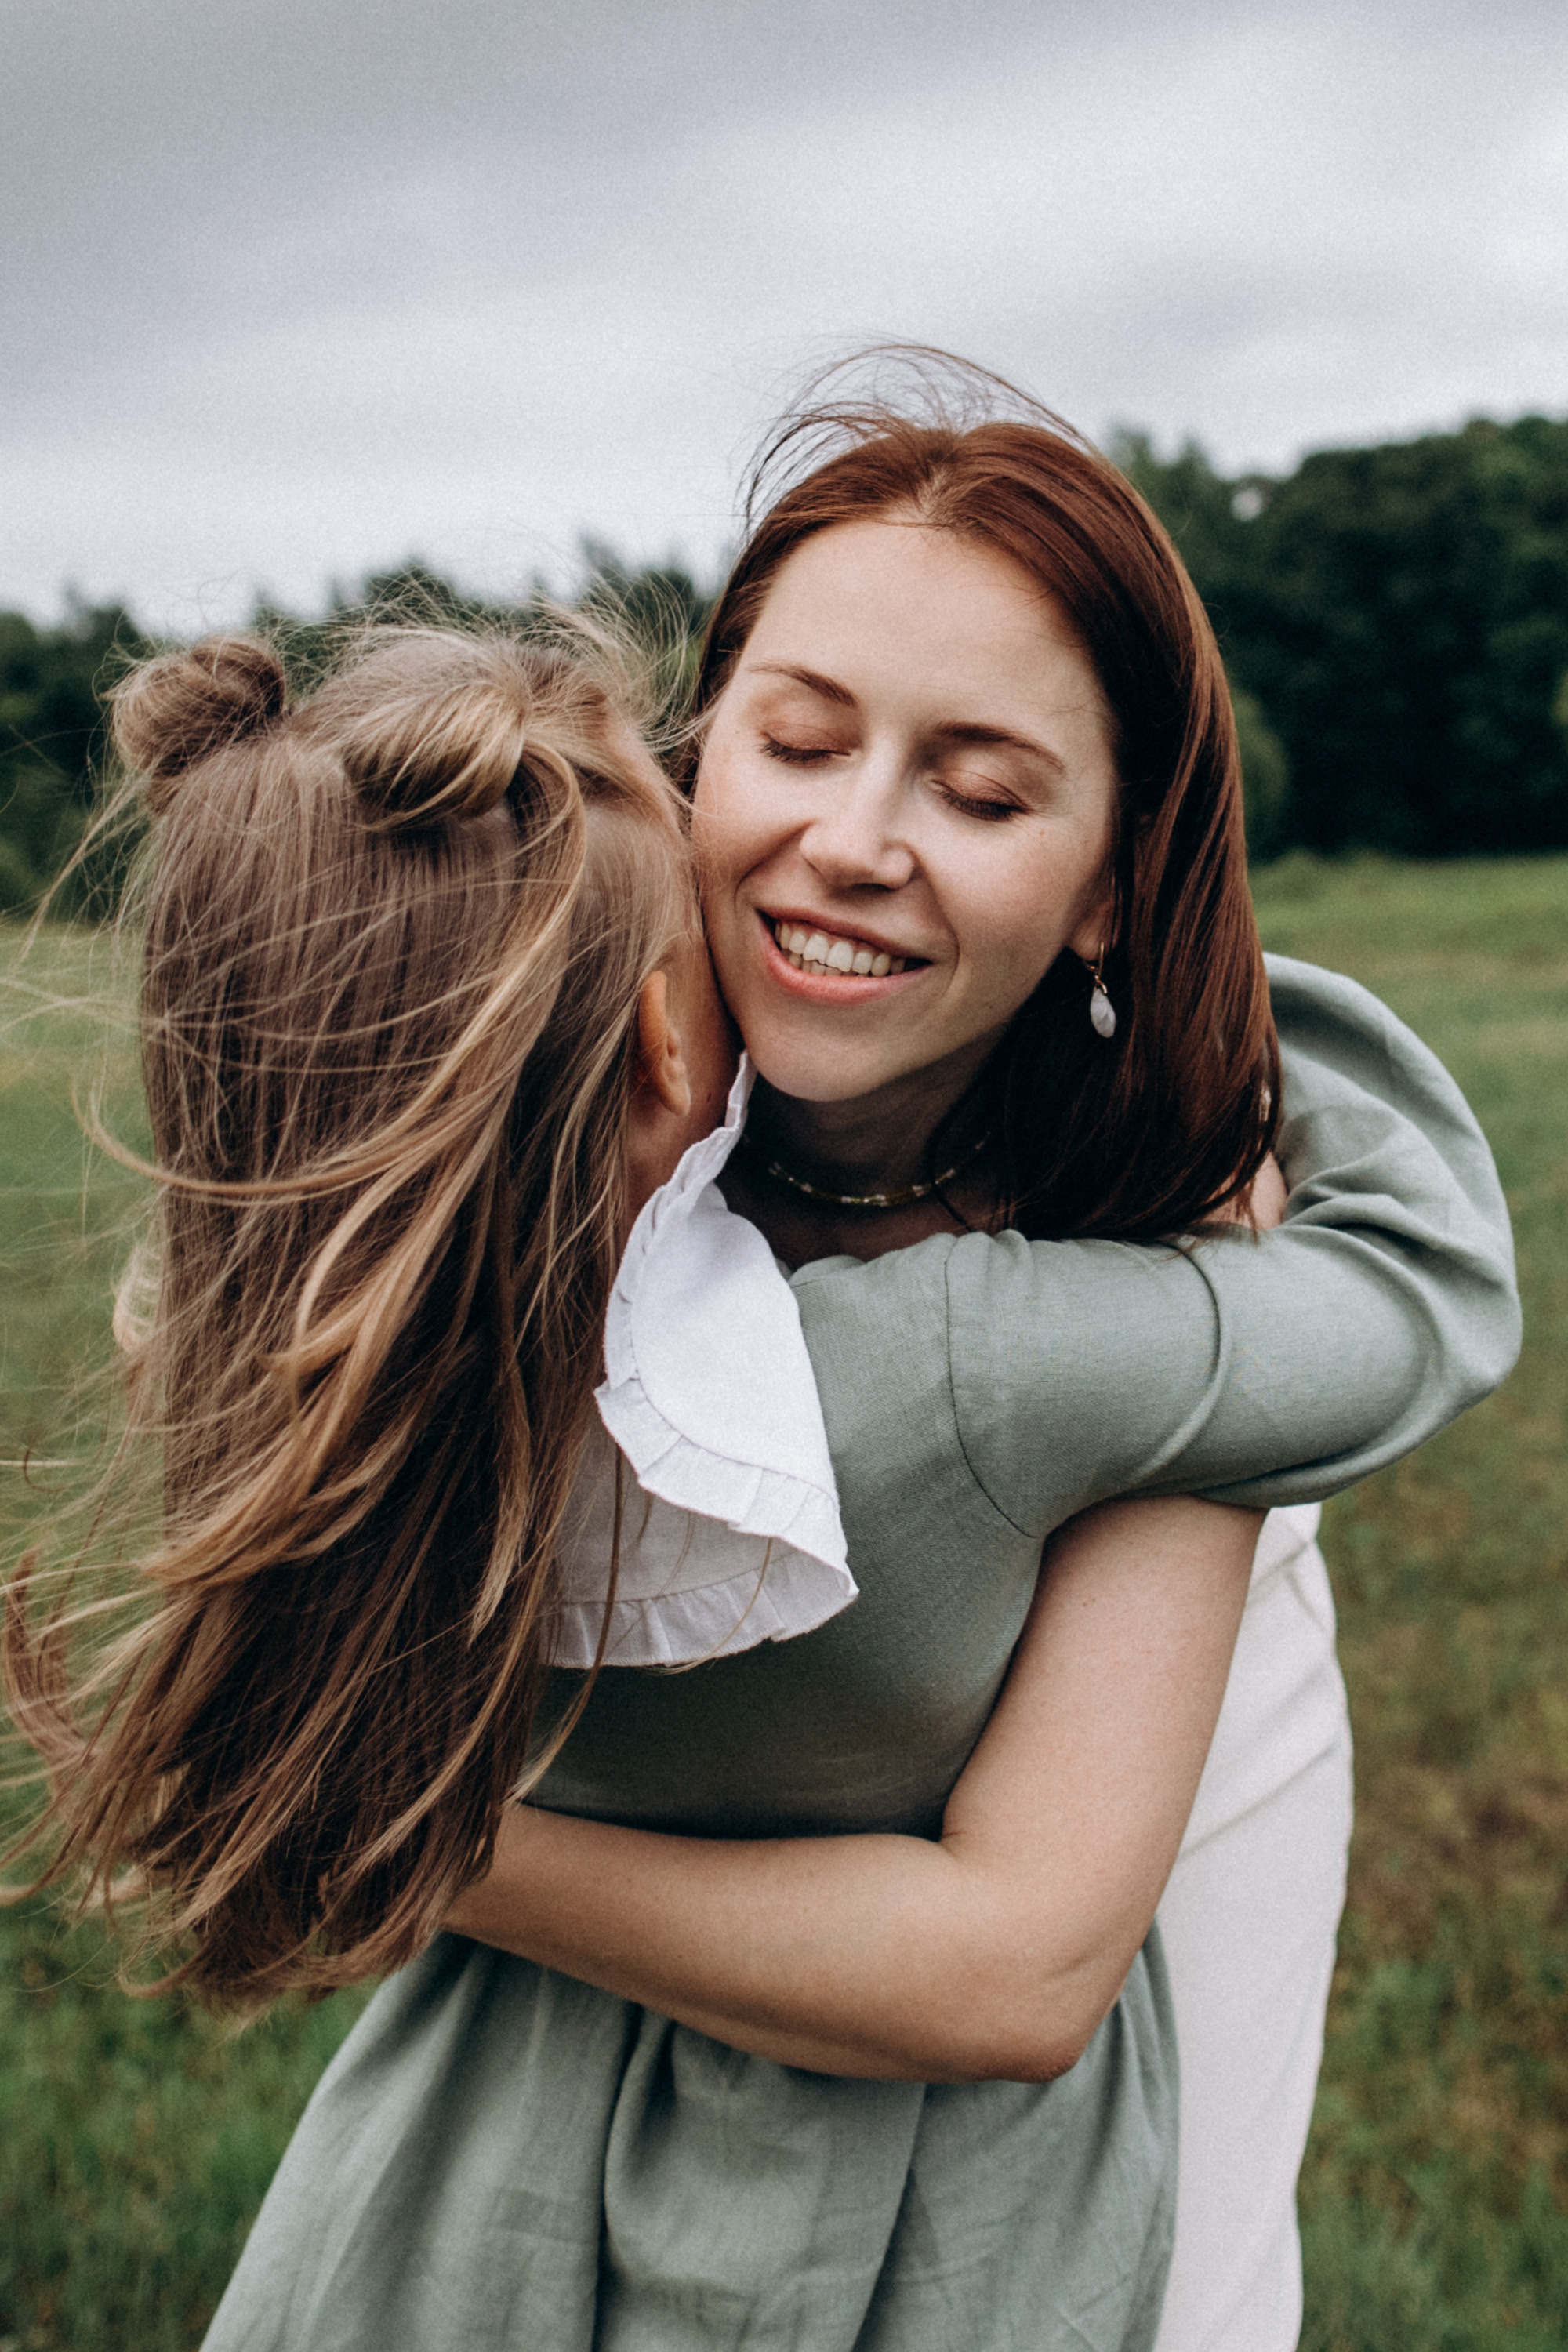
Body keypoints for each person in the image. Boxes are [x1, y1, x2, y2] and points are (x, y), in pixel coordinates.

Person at [8, 400, 1516, 2350]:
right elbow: (1416, 1276)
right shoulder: (485, 1226)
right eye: (795, 744)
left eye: (980, 796)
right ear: (700, 750)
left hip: (1054, 1896)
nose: (856, 841)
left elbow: (1020, 1968)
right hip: (625, 1974)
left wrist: (383, 1828)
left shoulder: (1116, 1275)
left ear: (1113, 884)